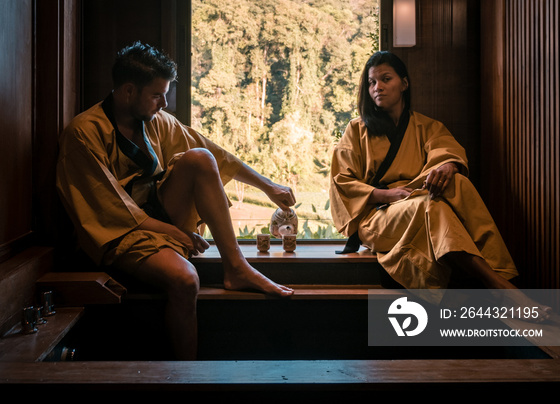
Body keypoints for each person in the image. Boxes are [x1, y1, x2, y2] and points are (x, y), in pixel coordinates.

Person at [57, 41, 295, 359]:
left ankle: (236, 267)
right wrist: (177, 234)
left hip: (162, 215)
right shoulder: (83, 134)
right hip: (120, 234)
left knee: (200, 156)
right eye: (157, 95)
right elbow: (110, 210)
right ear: (128, 91)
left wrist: (268, 186)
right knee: (185, 279)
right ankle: (183, 378)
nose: (164, 103)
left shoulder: (157, 123)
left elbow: (216, 155)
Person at [329, 50, 519, 296]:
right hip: (376, 216)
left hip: (416, 200)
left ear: (404, 83)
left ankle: (500, 272)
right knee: (431, 207)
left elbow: (447, 152)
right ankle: (501, 286)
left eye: (386, 79)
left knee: (457, 183)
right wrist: (385, 195)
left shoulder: (426, 126)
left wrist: (447, 166)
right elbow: (341, 182)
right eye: (372, 82)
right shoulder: (356, 130)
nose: (378, 87)